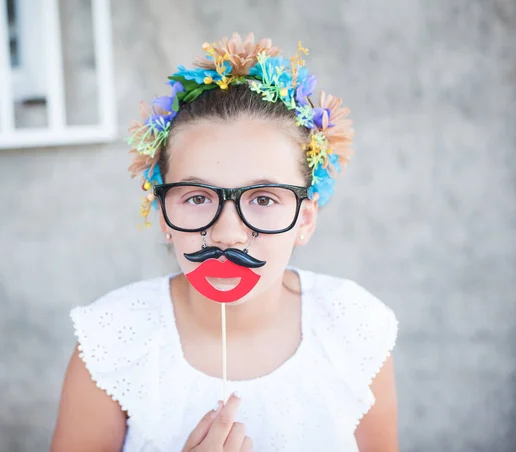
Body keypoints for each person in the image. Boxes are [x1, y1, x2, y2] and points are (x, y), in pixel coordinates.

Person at [51, 33, 399, 452]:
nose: (228, 233)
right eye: (197, 198)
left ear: (305, 220)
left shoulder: (354, 330)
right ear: (163, 213)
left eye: (264, 199)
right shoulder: (111, 344)